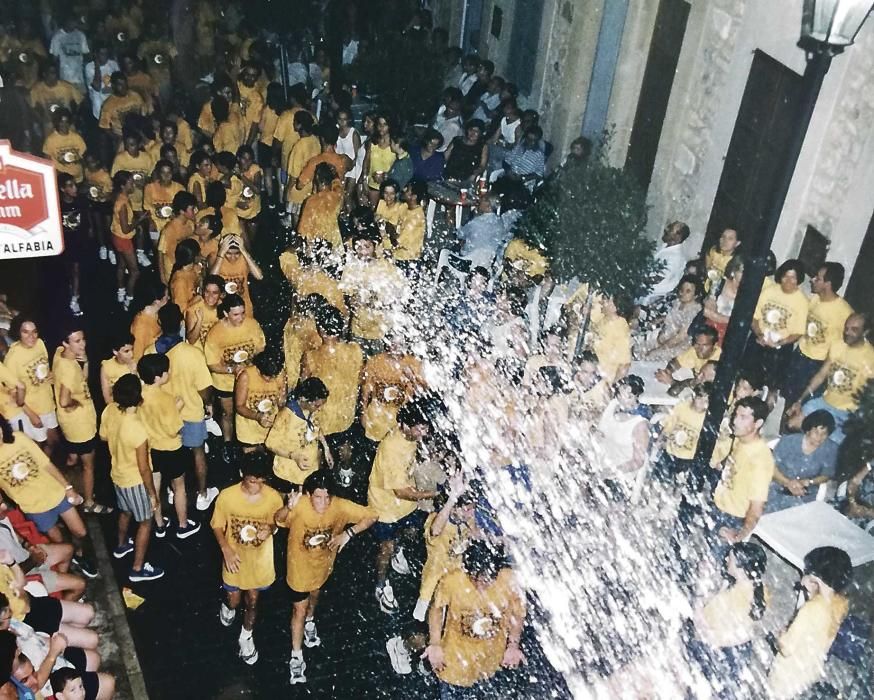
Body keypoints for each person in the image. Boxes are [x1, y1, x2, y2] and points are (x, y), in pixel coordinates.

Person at [274, 470, 377, 684]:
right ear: (309, 494)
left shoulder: (339, 506)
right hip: (298, 570)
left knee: (315, 596)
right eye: (318, 497)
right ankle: (296, 655)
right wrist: (287, 507)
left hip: (323, 567)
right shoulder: (300, 505)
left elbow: (372, 515)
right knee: (298, 610)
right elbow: (278, 520)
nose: (323, 502)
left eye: (327, 497)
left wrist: (348, 534)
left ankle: (311, 622)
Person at [422, 541, 526, 696]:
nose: (479, 585)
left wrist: (513, 644)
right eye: (474, 579)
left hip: (491, 662)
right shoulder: (452, 580)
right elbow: (437, 609)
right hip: (455, 663)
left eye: (486, 580)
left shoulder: (509, 581)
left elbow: (518, 614)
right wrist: (435, 643)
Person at [211, 451, 284, 666]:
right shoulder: (227, 496)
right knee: (234, 600)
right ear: (242, 474)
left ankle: (246, 636)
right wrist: (225, 549)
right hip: (234, 558)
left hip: (259, 561)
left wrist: (270, 529)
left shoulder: (272, 497)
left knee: (252, 600)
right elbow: (216, 524)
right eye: (252, 481)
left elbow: (277, 522)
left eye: (261, 481)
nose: (257, 487)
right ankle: (229, 607)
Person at [0, 418, 95, 580]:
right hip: (34, 507)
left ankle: (79, 554)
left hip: (54, 492)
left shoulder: (19, 439)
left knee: (80, 531)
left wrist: (68, 488)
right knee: (58, 540)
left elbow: (46, 464)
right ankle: (71, 559)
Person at [368, 400, 438, 614]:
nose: (424, 432)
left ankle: (398, 550)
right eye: (420, 428)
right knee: (385, 547)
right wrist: (435, 494)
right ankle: (381, 584)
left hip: (405, 506)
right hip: (386, 507)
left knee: (409, 530)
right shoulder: (392, 449)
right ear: (405, 426)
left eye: (425, 427)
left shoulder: (411, 437)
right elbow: (401, 492)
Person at [99, 375, 163, 582]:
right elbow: (144, 468)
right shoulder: (137, 428)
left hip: (117, 475)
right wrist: (153, 494)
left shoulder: (109, 410)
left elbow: (103, 436)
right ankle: (137, 568)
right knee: (145, 522)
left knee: (125, 512)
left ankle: (121, 545)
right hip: (134, 481)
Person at [154, 303, 218, 510]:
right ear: (182, 323)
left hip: (165, 415)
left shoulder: (152, 351)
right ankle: (201, 494)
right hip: (191, 412)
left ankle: (173, 491)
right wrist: (208, 404)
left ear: (159, 324)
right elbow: (205, 388)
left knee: (171, 455)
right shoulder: (192, 354)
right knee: (198, 452)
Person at [767, 547, 851, 698]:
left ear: (815, 579)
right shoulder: (840, 603)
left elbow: (786, 648)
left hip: (788, 674)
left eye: (806, 573)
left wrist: (781, 636)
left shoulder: (811, 609)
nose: (802, 579)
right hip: (809, 669)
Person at [683, 542, 768, 690]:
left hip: (718, 651)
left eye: (731, 559)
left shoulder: (728, 601)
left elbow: (700, 622)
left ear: (742, 569)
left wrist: (701, 581)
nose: (727, 560)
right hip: (741, 648)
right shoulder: (761, 590)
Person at [136, 353, 200, 539]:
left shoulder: (140, 395)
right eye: (167, 371)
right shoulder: (165, 398)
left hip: (151, 449)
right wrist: (178, 408)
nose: (169, 373)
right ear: (158, 377)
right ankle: (182, 525)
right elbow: (174, 428)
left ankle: (160, 524)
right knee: (179, 488)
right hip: (171, 448)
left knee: (154, 489)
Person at [786, 313, 874, 444]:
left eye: (854, 330)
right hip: (824, 402)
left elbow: (869, 396)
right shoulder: (838, 345)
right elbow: (821, 375)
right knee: (792, 423)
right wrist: (800, 400)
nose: (848, 332)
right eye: (846, 328)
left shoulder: (870, 357)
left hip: (846, 413)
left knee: (829, 444)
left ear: (865, 332)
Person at [53, 323, 106, 522]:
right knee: (88, 465)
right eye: (77, 341)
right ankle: (89, 503)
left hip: (69, 424)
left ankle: (64, 482)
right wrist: (77, 402)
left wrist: (86, 362)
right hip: (80, 426)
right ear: (65, 343)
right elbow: (65, 400)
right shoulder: (67, 368)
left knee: (73, 456)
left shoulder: (60, 354)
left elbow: (81, 380)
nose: (83, 344)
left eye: (82, 339)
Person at [204, 294, 266, 458]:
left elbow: (261, 350)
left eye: (243, 313)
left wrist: (250, 366)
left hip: (249, 379)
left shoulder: (252, 325)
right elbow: (212, 364)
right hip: (226, 382)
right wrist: (232, 369)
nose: (241, 318)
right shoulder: (215, 333)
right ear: (225, 314)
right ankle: (227, 443)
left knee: (250, 409)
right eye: (236, 314)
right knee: (227, 413)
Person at [782, 262, 853, 406]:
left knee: (801, 406)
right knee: (788, 403)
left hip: (817, 366)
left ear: (828, 284)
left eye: (818, 278)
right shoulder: (814, 299)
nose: (812, 280)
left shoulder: (845, 313)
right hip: (800, 356)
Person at [300, 306, 364, 437]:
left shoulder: (311, 356)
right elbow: (361, 379)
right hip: (346, 417)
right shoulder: (355, 350)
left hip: (322, 422)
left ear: (321, 330)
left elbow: (304, 388)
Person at [3, 317, 59, 456]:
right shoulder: (12, 357)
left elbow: (45, 368)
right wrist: (32, 415)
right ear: (18, 333)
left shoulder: (40, 344)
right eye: (25, 332)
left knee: (53, 441)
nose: (31, 337)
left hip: (48, 403)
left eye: (34, 332)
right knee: (36, 447)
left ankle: (48, 468)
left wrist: (51, 375)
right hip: (31, 410)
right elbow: (13, 392)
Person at [748, 259, 808, 388]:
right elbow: (754, 317)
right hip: (759, 339)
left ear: (799, 280)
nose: (788, 281)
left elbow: (798, 332)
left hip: (781, 347)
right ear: (781, 276)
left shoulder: (802, 301)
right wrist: (759, 334)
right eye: (786, 276)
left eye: (793, 278)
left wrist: (779, 343)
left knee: (770, 384)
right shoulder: (769, 291)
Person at [766, 410, 838, 513]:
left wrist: (808, 482)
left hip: (804, 495)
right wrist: (788, 483)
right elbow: (772, 467)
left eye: (824, 434)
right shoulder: (789, 441)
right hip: (777, 487)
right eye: (816, 432)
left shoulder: (831, 449)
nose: (819, 437)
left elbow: (826, 474)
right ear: (808, 430)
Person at [634, 275, 704, 363]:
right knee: (636, 348)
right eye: (681, 290)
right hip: (663, 337)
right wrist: (656, 321)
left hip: (676, 346)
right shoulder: (678, 302)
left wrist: (660, 348)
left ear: (696, 295)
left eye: (688, 291)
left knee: (648, 357)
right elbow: (670, 317)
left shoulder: (694, 311)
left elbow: (681, 336)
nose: (682, 293)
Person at [652, 382, 712, 484]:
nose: (702, 403)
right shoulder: (682, 406)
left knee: (680, 483)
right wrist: (660, 439)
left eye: (706, 401)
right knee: (659, 479)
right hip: (670, 450)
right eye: (700, 399)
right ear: (693, 396)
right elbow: (669, 424)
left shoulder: (707, 418)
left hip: (688, 457)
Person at [234, 350, 286, 453]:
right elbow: (239, 406)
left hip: (270, 428)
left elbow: (282, 401)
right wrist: (258, 417)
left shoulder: (280, 373)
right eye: (267, 376)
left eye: (274, 376)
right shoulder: (246, 376)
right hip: (249, 430)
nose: (271, 379)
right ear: (259, 369)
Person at [109, 171, 147, 308]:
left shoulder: (120, 197)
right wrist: (140, 220)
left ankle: (120, 291)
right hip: (124, 239)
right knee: (135, 271)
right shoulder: (123, 203)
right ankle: (128, 299)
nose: (133, 184)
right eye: (131, 182)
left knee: (121, 265)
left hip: (116, 236)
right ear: (123, 185)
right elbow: (126, 228)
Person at [209, 235, 263, 317]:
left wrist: (244, 251)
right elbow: (211, 279)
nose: (233, 257)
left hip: (243, 306)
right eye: (229, 253)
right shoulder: (215, 257)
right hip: (222, 307)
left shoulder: (244, 258)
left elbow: (259, 276)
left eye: (237, 253)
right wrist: (221, 253)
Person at [639, 221, 692, 306]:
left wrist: (637, 279)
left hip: (651, 299)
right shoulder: (665, 246)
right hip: (643, 291)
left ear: (678, 237)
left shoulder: (677, 257)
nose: (666, 229)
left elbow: (658, 278)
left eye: (670, 229)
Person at [296, 163, 343, 249]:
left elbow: (302, 231)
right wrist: (335, 174)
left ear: (317, 179)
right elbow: (338, 184)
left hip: (316, 244)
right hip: (334, 242)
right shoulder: (336, 195)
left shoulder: (311, 201)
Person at [655, 326, 722, 384]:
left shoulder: (721, 358)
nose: (700, 349)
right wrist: (668, 371)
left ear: (715, 345)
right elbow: (677, 362)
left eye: (705, 345)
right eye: (697, 344)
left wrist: (671, 382)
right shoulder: (694, 351)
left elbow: (700, 387)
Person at [702, 254, 744, 345]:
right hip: (707, 330)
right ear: (733, 270)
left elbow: (741, 321)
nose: (746, 275)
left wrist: (717, 316)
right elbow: (705, 309)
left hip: (728, 337)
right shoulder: (719, 283)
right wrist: (727, 319)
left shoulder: (749, 295)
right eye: (742, 271)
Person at [97, 72, 145, 148]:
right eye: (120, 85)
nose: (124, 87)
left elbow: (144, 114)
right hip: (122, 137)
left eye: (125, 84)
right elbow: (104, 126)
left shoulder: (135, 96)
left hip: (139, 133)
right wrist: (117, 139)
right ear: (113, 86)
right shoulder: (108, 105)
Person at [143, 160, 184, 246]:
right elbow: (147, 209)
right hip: (156, 223)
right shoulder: (150, 188)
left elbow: (183, 210)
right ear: (158, 174)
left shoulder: (179, 188)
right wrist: (151, 223)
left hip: (172, 222)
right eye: (163, 173)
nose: (166, 176)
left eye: (169, 172)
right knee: (157, 247)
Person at [42, 109, 86, 185]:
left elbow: (83, 157)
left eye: (66, 122)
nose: (64, 125)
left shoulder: (76, 138)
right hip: (62, 180)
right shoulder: (50, 140)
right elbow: (47, 161)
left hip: (78, 179)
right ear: (57, 123)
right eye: (61, 122)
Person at [129, 280, 168, 363]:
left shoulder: (156, 314)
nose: (168, 298)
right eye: (166, 297)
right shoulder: (140, 327)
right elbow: (137, 357)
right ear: (157, 301)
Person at [49, 16, 89, 93]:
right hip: (65, 78)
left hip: (79, 78)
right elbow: (54, 59)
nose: (74, 24)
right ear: (66, 22)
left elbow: (85, 54)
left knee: (81, 101)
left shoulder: (81, 35)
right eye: (72, 21)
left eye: (75, 22)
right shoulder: (57, 37)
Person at [185, 274, 224, 348]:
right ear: (203, 292)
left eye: (214, 293)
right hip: (199, 351)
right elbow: (191, 341)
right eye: (207, 291)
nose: (210, 296)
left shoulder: (224, 307)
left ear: (221, 294)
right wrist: (199, 321)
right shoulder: (194, 310)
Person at [99, 330, 136, 405]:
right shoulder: (107, 366)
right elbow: (107, 398)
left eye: (132, 349)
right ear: (115, 352)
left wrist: (133, 372)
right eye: (126, 351)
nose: (131, 354)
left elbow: (137, 393)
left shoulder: (136, 364)